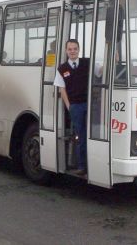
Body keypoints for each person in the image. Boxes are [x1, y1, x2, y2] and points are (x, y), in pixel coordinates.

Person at [53, 39, 89, 175]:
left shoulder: (87, 63)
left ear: (79, 50)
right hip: (75, 106)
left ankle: (92, 164)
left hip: (89, 105)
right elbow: (62, 90)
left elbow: (100, 72)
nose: (72, 51)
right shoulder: (62, 69)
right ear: (66, 51)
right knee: (80, 136)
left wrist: (113, 61)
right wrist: (70, 107)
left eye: (75, 48)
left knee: (91, 134)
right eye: (70, 49)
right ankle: (81, 166)